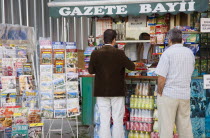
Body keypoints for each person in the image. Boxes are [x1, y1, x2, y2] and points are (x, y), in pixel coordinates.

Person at [88, 29, 135, 138]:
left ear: (103, 40)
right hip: (117, 91)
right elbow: (132, 67)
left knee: (104, 120)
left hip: (101, 91)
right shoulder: (119, 53)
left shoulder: (95, 53)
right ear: (114, 40)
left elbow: (91, 71)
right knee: (117, 120)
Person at [155, 28, 195, 138]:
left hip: (169, 95)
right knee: (185, 127)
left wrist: (160, 92)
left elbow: (161, 78)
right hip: (184, 94)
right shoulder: (190, 53)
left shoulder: (167, 53)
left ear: (169, 40)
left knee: (166, 128)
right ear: (181, 39)